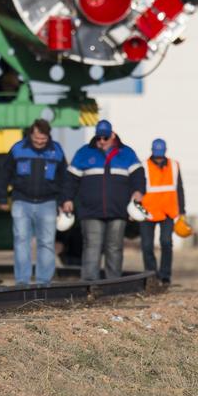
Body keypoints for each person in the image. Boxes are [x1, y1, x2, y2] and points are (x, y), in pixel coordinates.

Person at [63, 119, 145, 281]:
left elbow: (138, 177)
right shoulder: (84, 153)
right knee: (92, 246)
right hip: (90, 210)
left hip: (118, 210)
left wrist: (138, 192)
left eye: (105, 138)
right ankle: (89, 283)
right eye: (99, 138)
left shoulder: (127, 153)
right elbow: (70, 180)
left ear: (112, 136)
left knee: (114, 247)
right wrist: (67, 199)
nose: (101, 141)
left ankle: (112, 283)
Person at [0, 119, 67, 286]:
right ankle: (22, 281)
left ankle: (44, 281)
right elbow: (4, 173)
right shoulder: (18, 149)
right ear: (30, 134)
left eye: (43, 139)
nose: (40, 142)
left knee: (47, 243)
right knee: (21, 241)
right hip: (22, 202)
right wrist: (2, 197)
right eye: (36, 139)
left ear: (48, 136)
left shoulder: (56, 150)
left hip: (48, 203)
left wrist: (64, 200)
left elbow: (64, 179)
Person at [140, 138, 186, 286]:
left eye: (160, 154)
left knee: (166, 243)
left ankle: (165, 275)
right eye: (156, 154)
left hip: (168, 211)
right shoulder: (144, 166)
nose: (158, 157)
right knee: (147, 245)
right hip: (148, 212)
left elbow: (179, 189)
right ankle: (152, 274)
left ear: (165, 152)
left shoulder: (174, 165)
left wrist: (182, 211)